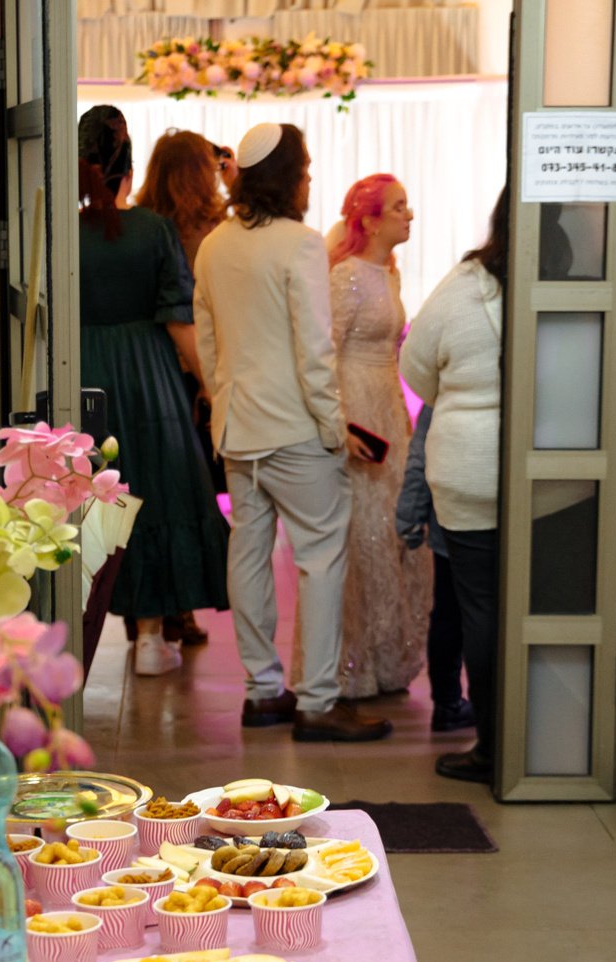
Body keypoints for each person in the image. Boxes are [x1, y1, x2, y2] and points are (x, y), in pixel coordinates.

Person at [194, 122, 391, 743]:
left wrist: (223, 409)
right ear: (286, 178)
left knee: (249, 556)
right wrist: (332, 427)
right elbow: (315, 348)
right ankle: (318, 702)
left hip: (238, 428)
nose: (309, 180)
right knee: (321, 559)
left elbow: (208, 343)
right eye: (304, 170)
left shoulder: (213, 245)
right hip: (297, 431)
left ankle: (262, 691)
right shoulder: (300, 244)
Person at [76, 105, 231, 676]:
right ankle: (148, 639)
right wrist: (212, 388)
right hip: (150, 378)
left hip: (83, 378)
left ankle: (81, 635)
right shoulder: (154, 230)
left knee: (96, 500)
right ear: (129, 164)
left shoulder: (62, 232)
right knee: (157, 496)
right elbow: (179, 322)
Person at [400, 186, 507, 783]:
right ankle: (539, 742)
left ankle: (491, 749)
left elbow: (415, 363)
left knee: (479, 610)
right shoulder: (572, 282)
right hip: (559, 473)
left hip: (469, 471)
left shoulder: (467, 283)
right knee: (540, 608)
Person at [328, 174, 432, 700]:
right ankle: (354, 663)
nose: (408, 215)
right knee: (365, 532)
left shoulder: (388, 273)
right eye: (398, 207)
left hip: (388, 404)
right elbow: (325, 352)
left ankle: (391, 657)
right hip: (357, 407)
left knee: (395, 528)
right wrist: (340, 421)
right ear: (368, 221)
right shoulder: (346, 275)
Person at [136, 126, 232, 548]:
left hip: (153, 359)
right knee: (196, 478)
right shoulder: (215, 230)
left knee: (159, 473)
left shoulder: (143, 225)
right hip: (201, 357)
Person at [394, 403, 475, 731]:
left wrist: (410, 518)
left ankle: (447, 702)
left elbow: (421, 457)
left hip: (450, 513)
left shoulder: (442, 390)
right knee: (485, 617)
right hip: (503, 517)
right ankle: (492, 706)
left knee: (448, 614)